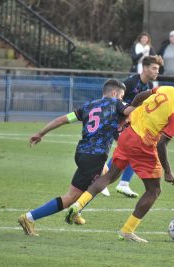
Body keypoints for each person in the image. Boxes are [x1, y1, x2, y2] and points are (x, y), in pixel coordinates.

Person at [65, 72, 174, 243]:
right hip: (143, 144)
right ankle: (127, 230)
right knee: (154, 190)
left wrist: (128, 114)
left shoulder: (166, 89)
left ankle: (78, 205)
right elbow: (161, 144)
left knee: (110, 176)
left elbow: (139, 96)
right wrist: (168, 171)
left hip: (128, 134)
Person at [18, 79, 134, 235]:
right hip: (95, 156)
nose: (122, 100)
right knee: (71, 197)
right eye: (121, 96)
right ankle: (29, 217)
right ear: (114, 93)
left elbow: (61, 120)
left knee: (104, 173)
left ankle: (78, 211)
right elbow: (130, 112)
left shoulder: (88, 106)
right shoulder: (117, 103)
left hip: (81, 153)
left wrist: (40, 133)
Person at [103, 55, 164, 198]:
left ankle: (123, 183)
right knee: (123, 151)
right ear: (145, 68)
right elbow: (116, 99)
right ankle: (103, 182)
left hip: (131, 125)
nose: (157, 72)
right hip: (118, 122)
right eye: (154, 68)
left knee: (133, 150)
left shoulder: (148, 87)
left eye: (158, 69)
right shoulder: (131, 82)